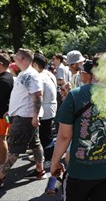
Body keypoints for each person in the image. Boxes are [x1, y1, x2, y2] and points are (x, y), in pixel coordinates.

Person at [50, 53, 106, 201]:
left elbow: (64, 136)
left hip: (80, 171)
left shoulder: (75, 95)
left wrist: (55, 162)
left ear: (94, 70)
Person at [0, 48, 46, 188]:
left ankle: (1, 177)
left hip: (25, 118)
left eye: (16, 57)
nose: (14, 59)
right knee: (35, 144)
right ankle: (40, 170)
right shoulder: (24, 74)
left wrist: (35, 117)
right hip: (23, 116)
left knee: (14, 149)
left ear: (22, 59)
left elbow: (38, 95)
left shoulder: (30, 75)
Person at [32, 53, 57, 163]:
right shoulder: (47, 73)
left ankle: (47, 160)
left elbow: (38, 96)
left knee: (45, 137)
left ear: (35, 65)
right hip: (50, 108)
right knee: (46, 135)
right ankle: (44, 157)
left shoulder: (39, 77)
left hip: (44, 110)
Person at [0, 52, 14, 164]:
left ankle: (3, 163)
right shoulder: (6, 77)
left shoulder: (5, 80)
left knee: (1, 139)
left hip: (3, 116)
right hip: (5, 115)